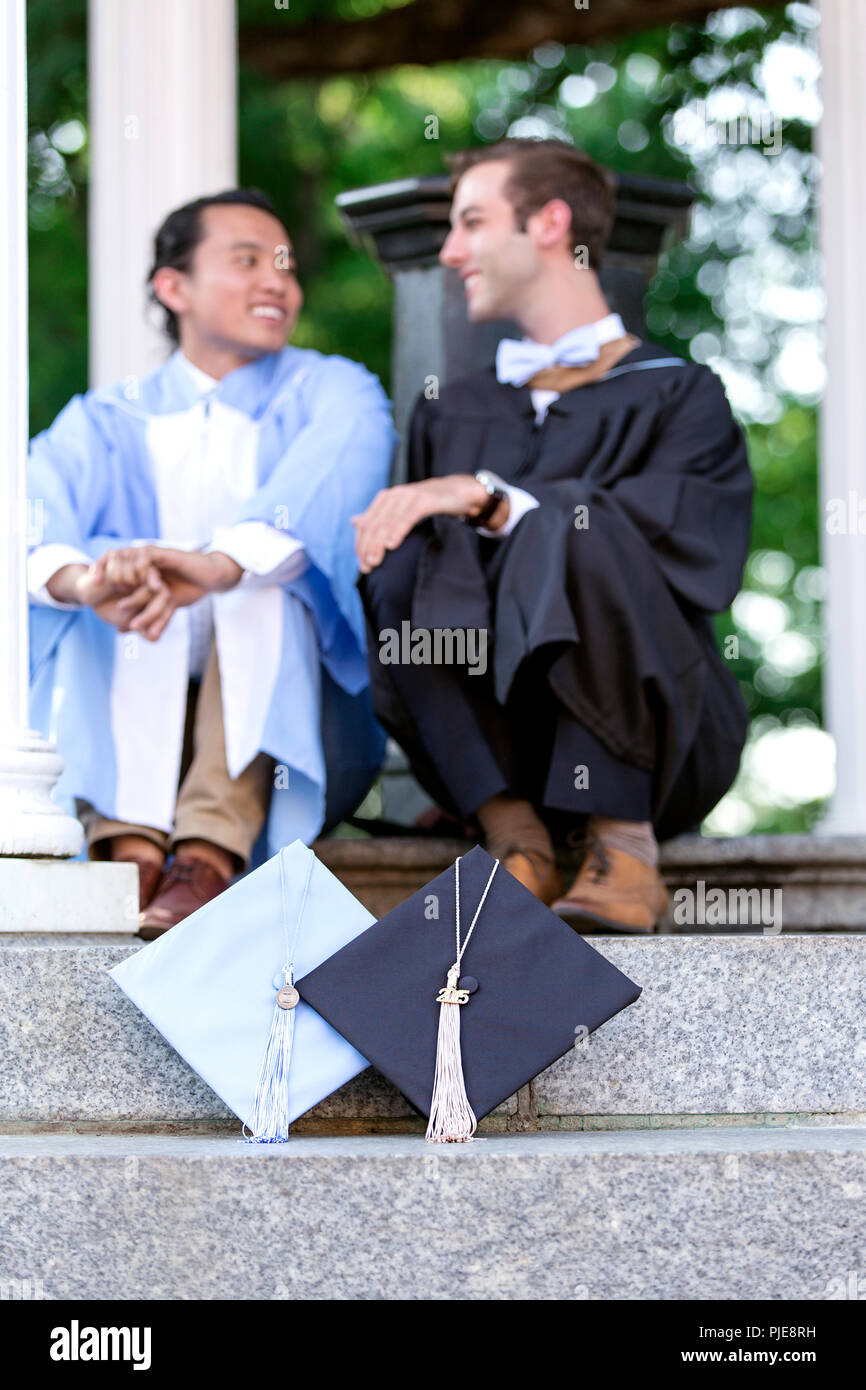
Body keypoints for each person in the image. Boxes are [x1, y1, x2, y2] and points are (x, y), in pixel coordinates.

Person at [352, 139, 752, 932]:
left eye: (471, 222)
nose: (449, 250)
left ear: (549, 223)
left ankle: (622, 845)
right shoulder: (454, 409)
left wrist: (497, 499)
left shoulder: (680, 396)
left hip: (661, 741)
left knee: (583, 525)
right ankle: (515, 840)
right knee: (402, 553)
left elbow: (695, 557)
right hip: (509, 755)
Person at [28, 188, 395, 936]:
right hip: (119, 706)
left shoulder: (333, 390)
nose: (277, 284)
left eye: (286, 268)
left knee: (264, 574)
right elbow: (28, 519)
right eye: (247, 261)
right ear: (174, 287)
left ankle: (206, 854)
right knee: (114, 571)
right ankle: (128, 849)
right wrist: (93, 581)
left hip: (297, 729)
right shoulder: (107, 416)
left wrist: (221, 566)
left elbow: (327, 498)